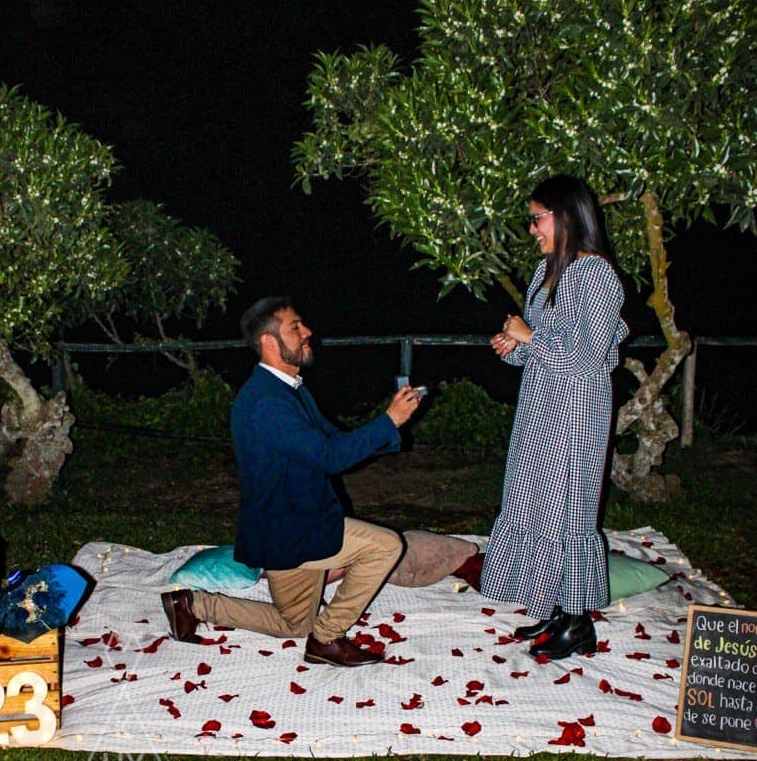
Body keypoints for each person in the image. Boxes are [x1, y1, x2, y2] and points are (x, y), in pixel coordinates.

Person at [161, 297, 422, 666]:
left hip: (288, 524)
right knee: (384, 546)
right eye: (295, 327)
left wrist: (387, 427)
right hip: (291, 530)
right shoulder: (267, 402)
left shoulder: (288, 389)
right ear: (269, 342)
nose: (307, 332)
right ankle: (327, 640)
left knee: (294, 624)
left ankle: (193, 604)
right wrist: (388, 421)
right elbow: (330, 457)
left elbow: (332, 443)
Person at [480, 174, 628, 660]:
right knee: (536, 503)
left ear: (565, 216)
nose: (532, 229)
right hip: (541, 406)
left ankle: (578, 620)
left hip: (576, 413)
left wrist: (529, 337)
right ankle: (557, 606)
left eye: (537, 217)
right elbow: (542, 348)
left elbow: (587, 359)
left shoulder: (597, 275)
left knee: (568, 509)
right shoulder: (548, 275)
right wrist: (513, 346)